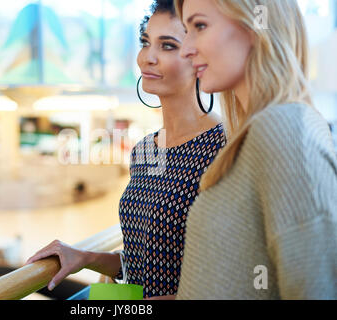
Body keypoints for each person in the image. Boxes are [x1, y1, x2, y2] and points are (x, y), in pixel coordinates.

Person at [25, 0, 226, 299]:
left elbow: (228, 281)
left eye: (167, 46)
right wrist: (84, 257)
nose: (148, 58)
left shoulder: (223, 148)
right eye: (145, 42)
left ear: (199, 57)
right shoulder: (145, 149)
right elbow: (142, 265)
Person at [172, 0, 336, 299]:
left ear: (255, 24)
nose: (186, 49)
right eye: (186, 30)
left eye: (200, 26)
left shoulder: (283, 127)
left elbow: (317, 288)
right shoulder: (253, 134)